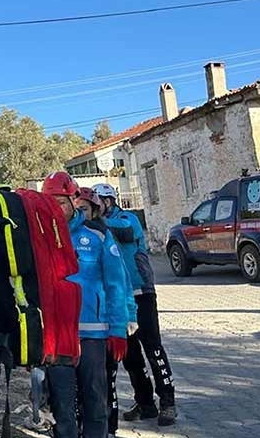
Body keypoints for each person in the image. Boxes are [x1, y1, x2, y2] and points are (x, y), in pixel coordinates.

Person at [42, 172, 133, 438]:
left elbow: (116, 283)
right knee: (62, 408)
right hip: (57, 337)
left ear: (74, 200)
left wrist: (118, 329)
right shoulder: (41, 238)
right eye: (50, 203)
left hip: (93, 335)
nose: (56, 209)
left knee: (95, 403)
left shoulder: (98, 236)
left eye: (61, 202)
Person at [94, 182, 178, 427]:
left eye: (98, 202)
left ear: (108, 201)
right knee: (130, 356)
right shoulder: (98, 228)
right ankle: (145, 403)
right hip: (119, 298)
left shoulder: (126, 218)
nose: (95, 208)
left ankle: (168, 402)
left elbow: (127, 231)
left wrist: (97, 221)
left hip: (141, 292)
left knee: (153, 348)